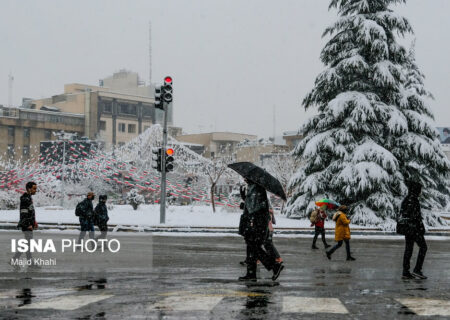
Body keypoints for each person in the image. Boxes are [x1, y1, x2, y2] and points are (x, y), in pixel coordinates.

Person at [238, 179, 284, 281]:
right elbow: (253, 205)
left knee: (254, 247)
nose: (244, 178)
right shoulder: (253, 188)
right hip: (256, 223)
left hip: (257, 224)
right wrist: (245, 198)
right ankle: (251, 274)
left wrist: (245, 201)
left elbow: (254, 207)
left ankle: (274, 266)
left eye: (246, 177)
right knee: (251, 248)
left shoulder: (256, 188)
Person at [400, 181, 428, 279]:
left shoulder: (406, 199)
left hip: (408, 229)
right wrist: (421, 228)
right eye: (420, 190)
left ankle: (405, 271)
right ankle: (417, 270)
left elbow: (404, 214)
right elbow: (416, 217)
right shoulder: (413, 200)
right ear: (416, 190)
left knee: (408, 249)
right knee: (423, 247)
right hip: (414, 229)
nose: (421, 192)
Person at [11, 182, 39, 269]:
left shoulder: (28, 198)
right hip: (26, 225)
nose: (35, 190)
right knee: (27, 244)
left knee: (27, 244)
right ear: (29, 189)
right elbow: (24, 213)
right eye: (34, 188)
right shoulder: (25, 199)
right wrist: (28, 225)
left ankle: (27, 262)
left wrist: (34, 222)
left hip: (29, 224)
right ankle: (17, 260)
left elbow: (30, 212)